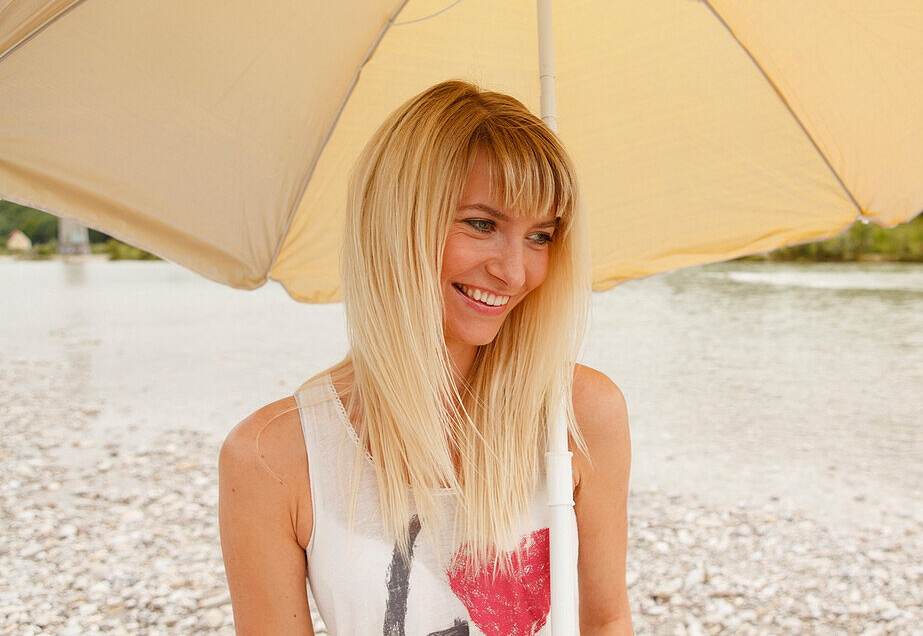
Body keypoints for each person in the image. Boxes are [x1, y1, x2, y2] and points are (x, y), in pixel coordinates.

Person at [218, 80, 633, 635]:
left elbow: (607, 621)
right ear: (397, 223)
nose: (514, 272)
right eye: (482, 224)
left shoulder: (581, 415)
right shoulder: (272, 457)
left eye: (540, 235)